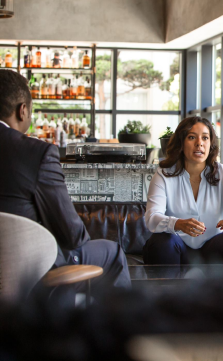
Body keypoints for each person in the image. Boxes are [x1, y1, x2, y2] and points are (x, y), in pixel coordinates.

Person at [0, 69, 131, 293]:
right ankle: (97, 327)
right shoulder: (35, 153)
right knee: (113, 253)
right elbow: (72, 236)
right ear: (22, 111)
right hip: (28, 272)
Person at [143, 116, 223, 269]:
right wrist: (177, 223)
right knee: (162, 241)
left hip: (214, 250)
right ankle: (167, 293)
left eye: (205, 138)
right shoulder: (163, 175)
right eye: (192, 137)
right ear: (181, 143)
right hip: (177, 248)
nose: (199, 143)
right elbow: (151, 218)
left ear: (210, 144)